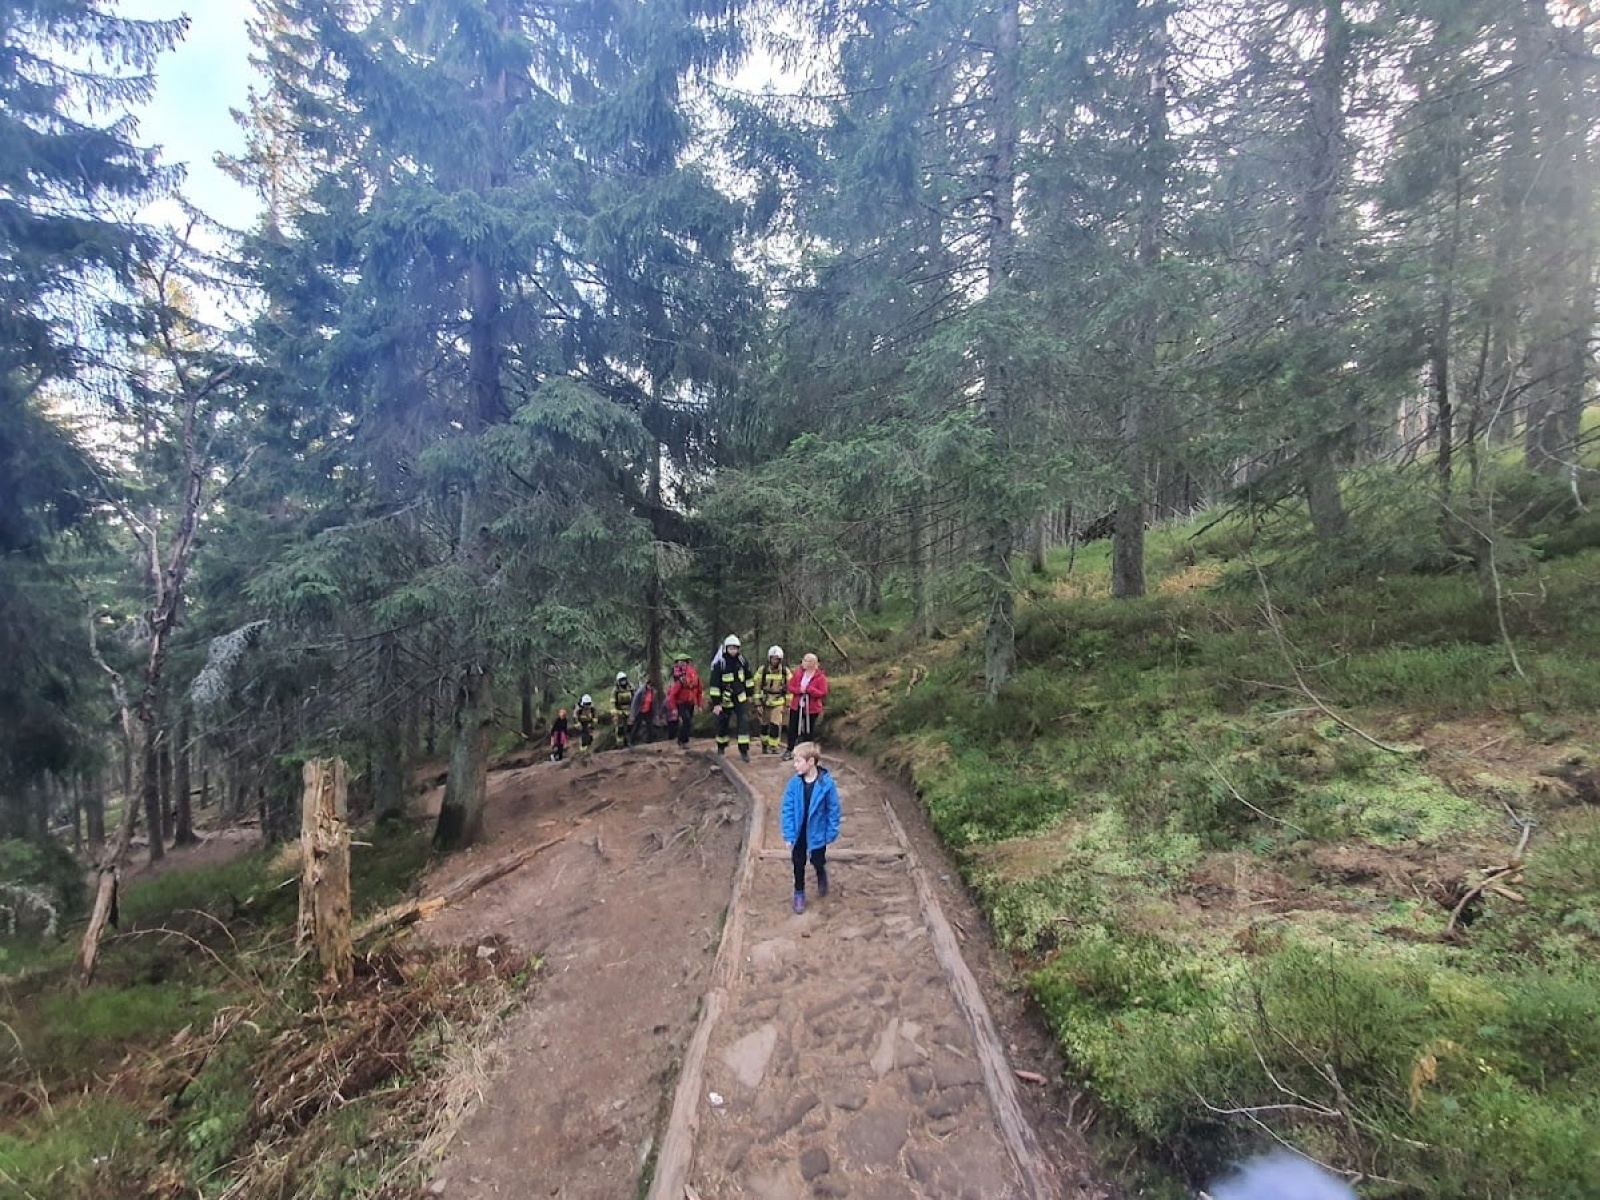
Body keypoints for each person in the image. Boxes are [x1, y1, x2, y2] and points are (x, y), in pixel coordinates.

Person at [780, 741, 841, 914]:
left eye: (798, 761)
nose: (795, 765)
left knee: (817, 859)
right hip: (799, 833)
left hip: (817, 832)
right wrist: (789, 834)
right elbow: (787, 809)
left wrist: (831, 831)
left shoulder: (826, 784)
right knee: (798, 862)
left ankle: (821, 873)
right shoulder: (794, 784)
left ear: (811, 762)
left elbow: (833, 809)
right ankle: (799, 892)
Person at [707, 634, 753, 761]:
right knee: (723, 724)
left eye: (735, 648)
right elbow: (714, 685)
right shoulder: (720, 664)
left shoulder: (743, 661)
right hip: (724, 700)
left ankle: (744, 751)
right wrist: (716, 703)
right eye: (731, 648)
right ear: (726, 648)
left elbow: (749, 679)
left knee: (743, 723)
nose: (733, 651)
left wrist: (750, 694)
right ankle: (721, 747)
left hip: (740, 698)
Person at [784, 652, 829, 759]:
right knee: (792, 728)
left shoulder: (820, 677)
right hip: (797, 705)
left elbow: (823, 692)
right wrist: (799, 690)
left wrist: (809, 690)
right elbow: (790, 686)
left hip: (812, 708)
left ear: (812, 663)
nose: (803, 662)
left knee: (809, 730)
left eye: (806, 660)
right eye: (803, 660)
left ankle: (807, 753)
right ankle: (790, 749)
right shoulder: (799, 673)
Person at [755, 645, 790, 755]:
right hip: (765, 702)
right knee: (764, 725)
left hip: (778, 702)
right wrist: (758, 704)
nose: (775, 661)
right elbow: (756, 687)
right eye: (773, 658)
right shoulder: (762, 670)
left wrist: (787, 705)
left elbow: (790, 688)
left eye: (777, 659)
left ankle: (774, 746)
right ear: (769, 658)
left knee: (775, 724)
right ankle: (764, 745)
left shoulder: (785, 671)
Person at [665, 652, 702, 746]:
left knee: (688, 722)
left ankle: (683, 740)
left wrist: (699, 704)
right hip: (681, 703)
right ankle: (682, 740)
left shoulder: (695, 677)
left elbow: (699, 691)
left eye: (684, 663)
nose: (682, 665)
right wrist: (673, 708)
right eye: (680, 663)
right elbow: (672, 695)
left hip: (691, 703)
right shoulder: (679, 680)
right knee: (687, 720)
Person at [630, 678, 658, 745]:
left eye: (652, 687)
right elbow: (634, 703)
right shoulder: (640, 692)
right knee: (637, 726)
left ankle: (650, 740)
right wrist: (633, 714)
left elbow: (654, 703)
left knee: (650, 726)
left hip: (647, 711)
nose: (651, 688)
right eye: (650, 686)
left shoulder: (653, 692)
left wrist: (656, 713)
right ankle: (631, 741)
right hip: (640, 711)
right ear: (647, 684)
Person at [611, 671, 632, 747]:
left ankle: (629, 742)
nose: (623, 681)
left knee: (630, 727)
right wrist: (616, 712)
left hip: (629, 710)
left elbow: (634, 699)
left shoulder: (630, 688)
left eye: (624, 679)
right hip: (619, 711)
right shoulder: (615, 691)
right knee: (620, 728)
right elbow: (613, 702)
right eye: (621, 680)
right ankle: (620, 744)